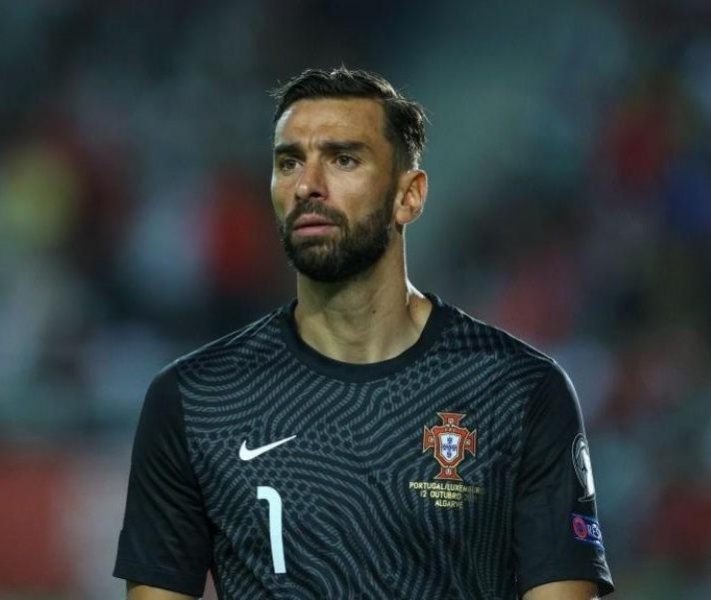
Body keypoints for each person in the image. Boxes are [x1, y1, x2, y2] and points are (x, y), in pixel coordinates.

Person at [113, 67, 614, 599]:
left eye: (343, 159)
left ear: (409, 197)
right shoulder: (194, 398)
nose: (307, 184)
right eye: (289, 162)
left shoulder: (518, 390)